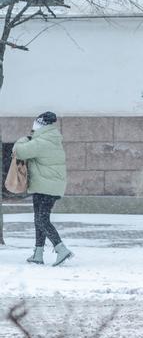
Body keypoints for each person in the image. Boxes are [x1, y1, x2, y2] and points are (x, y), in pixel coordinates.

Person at [13, 111, 71, 266]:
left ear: (41, 123)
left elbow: (19, 151)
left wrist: (23, 139)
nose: (34, 125)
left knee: (41, 219)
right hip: (46, 186)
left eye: (36, 123)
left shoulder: (42, 141)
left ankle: (61, 249)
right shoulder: (51, 138)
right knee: (39, 220)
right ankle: (38, 254)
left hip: (46, 186)